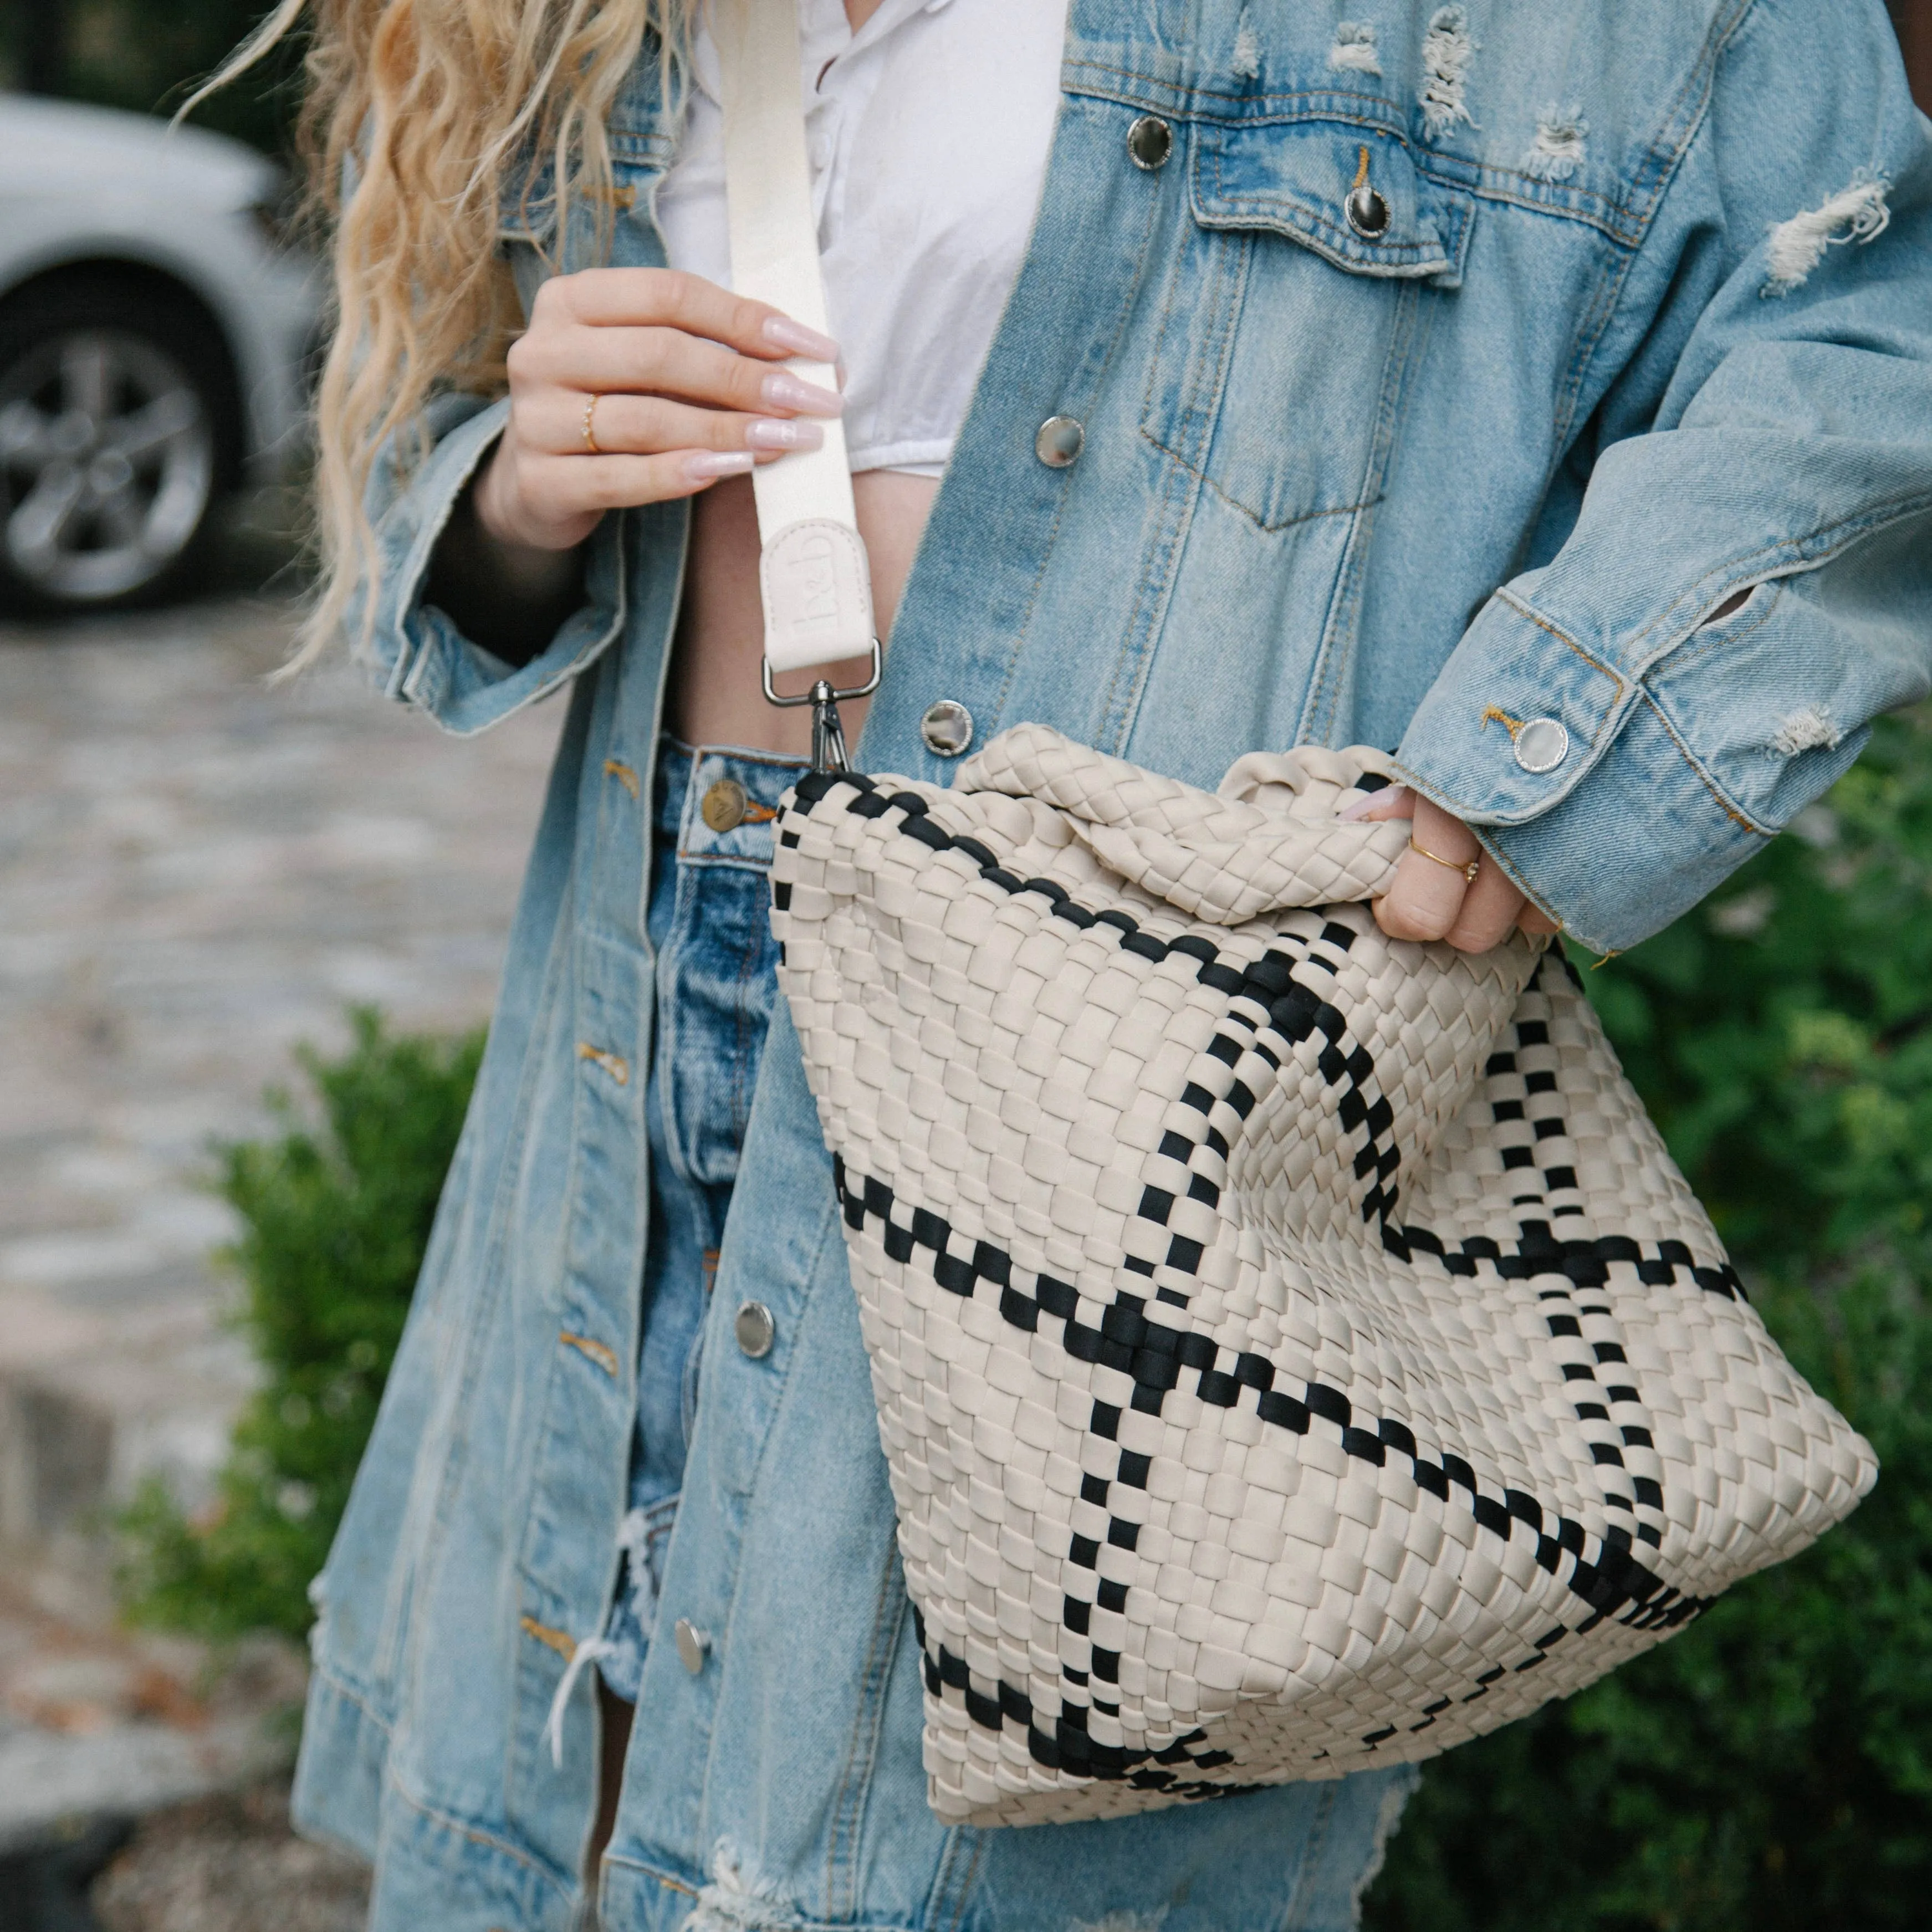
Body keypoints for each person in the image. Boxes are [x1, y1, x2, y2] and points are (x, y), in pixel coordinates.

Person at [235, 1, 1932, 1926]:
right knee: (584, 1809)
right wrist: (520, 491)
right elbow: (414, 440)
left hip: (1115, 1056)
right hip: (649, 977)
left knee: (988, 1845)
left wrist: (1560, 738)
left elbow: (1879, 321)